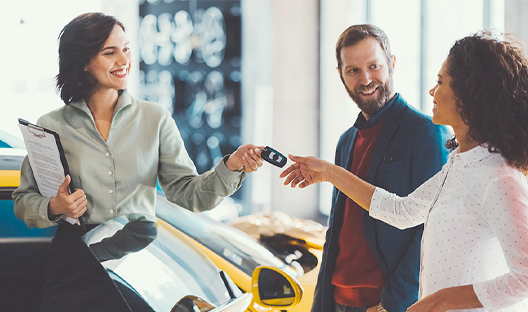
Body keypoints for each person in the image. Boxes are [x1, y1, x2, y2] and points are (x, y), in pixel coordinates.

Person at [12, 12, 263, 312]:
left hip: (139, 264)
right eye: (110, 52)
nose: (123, 60)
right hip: (74, 266)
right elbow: (23, 201)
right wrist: (55, 207)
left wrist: (231, 167)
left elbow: (188, 194)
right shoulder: (52, 125)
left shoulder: (154, 119)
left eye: (126, 49)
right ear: (83, 61)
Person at [281, 31, 528, 312]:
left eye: (440, 82)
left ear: (470, 93)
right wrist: (328, 172)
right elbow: (402, 212)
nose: (432, 91)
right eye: (353, 70)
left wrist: (442, 299)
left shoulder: (500, 178)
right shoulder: (459, 165)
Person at [306, 24, 452, 312]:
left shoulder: (426, 132)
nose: (366, 79)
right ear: (341, 75)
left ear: (392, 63)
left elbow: (432, 230)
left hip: (383, 305)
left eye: (374, 66)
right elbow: (335, 231)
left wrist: (393, 304)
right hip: (336, 302)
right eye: (353, 71)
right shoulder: (346, 141)